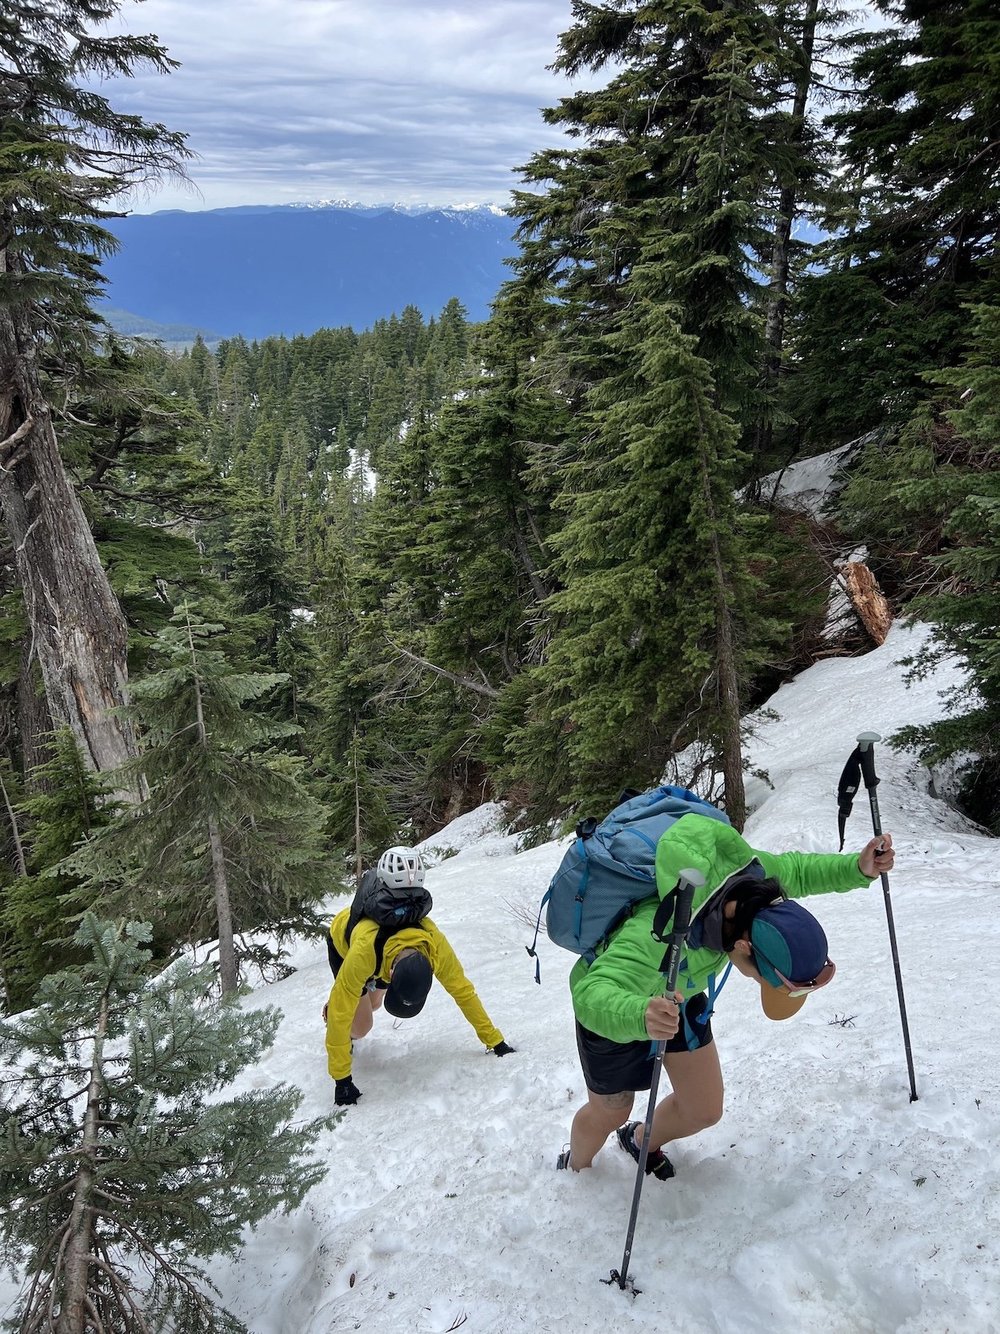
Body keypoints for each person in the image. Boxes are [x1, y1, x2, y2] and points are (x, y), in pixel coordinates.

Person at [558, 812, 895, 1175]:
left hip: (679, 997)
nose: (757, 982)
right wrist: (641, 1014)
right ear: (742, 946)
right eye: (761, 978)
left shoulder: (755, 886)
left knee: (703, 1108)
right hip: (617, 1008)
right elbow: (592, 993)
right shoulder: (655, 933)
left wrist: (858, 869)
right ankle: (577, 1170)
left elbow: (798, 870)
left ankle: (641, 1141)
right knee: (611, 1110)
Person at [324, 846, 513, 1106]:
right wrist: (341, 1080)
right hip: (345, 945)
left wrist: (495, 1040)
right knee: (360, 1024)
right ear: (390, 975)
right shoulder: (364, 952)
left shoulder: (434, 943)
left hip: (383, 959)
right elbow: (342, 1007)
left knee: (375, 1002)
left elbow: (462, 990)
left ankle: (365, 996)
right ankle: (334, 1013)